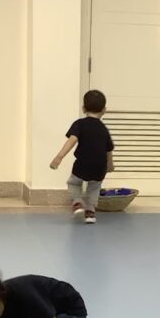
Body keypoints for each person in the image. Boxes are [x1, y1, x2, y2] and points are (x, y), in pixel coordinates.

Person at [50, 89, 114, 224]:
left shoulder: (79, 124)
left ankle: (77, 203)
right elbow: (108, 149)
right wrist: (110, 164)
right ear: (104, 110)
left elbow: (72, 140)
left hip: (82, 164)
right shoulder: (104, 129)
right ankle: (90, 212)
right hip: (99, 166)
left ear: (83, 108)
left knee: (73, 183)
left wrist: (59, 157)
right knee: (94, 188)